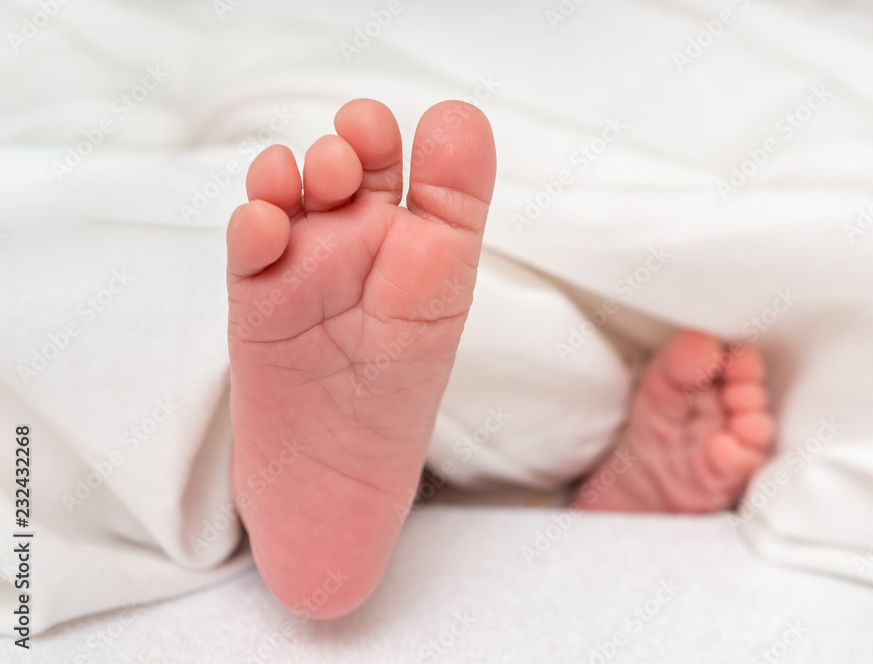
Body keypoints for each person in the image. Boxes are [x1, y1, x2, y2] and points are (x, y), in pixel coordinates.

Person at [226, 98, 776, 618]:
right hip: (543, 397)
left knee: (185, 361)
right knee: (542, 375)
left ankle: (251, 484)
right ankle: (266, 487)